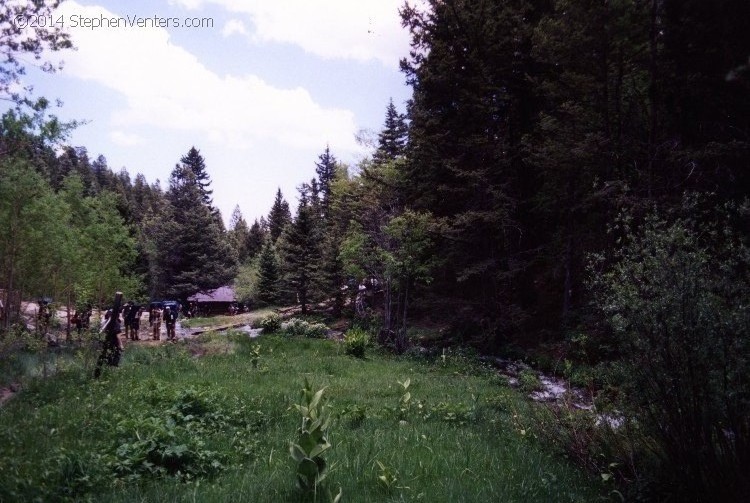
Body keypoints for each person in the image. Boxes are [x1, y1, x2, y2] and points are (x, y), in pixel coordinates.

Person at [94, 292, 124, 378]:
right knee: (114, 361)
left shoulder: (105, 322)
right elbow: (118, 335)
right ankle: (111, 376)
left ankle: (102, 375)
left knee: (105, 359)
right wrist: (121, 345)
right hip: (114, 344)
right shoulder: (115, 322)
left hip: (105, 343)